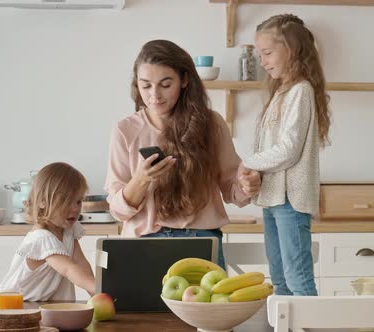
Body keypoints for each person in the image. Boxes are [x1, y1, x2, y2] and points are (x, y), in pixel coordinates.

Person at [104, 39, 261, 269]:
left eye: (165, 84)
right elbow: (117, 211)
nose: (154, 95)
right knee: (142, 307)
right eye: (145, 85)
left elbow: (232, 189)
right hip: (144, 244)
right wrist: (141, 179)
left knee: (206, 306)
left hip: (200, 240)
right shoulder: (125, 130)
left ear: (184, 80)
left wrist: (249, 184)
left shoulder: (211, 124)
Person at [241, 14, 331, 296]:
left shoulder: (300, 91)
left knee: (297, 276)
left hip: (291, 201)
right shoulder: (283, 92)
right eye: (260, 54)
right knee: (280, 277)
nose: (263, 61)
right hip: (274, 198)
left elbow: (288, 150)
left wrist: (247, 163)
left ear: (291, 49)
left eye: (267, 53)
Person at [0, 162, 95, 301]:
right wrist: (100, 290)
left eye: (78, 201)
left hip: (46, 309)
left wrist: (98, 295)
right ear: (42, 201)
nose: (75, 208)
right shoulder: (41, 238)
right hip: (18, 307)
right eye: (66, 201)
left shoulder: (68, 230)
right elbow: (68, 269)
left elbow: (81, 264)